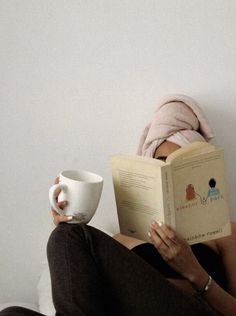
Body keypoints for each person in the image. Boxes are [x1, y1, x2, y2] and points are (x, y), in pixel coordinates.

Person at [1, 94, 236, 316]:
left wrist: (194, 272)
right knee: (13, 312)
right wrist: (67, 220)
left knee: (73, 237)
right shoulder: (125, 237)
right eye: (162, 162)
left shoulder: (225, 231)